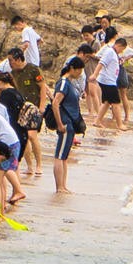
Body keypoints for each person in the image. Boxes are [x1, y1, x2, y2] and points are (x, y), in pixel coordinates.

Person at [45, 54, 87, 193]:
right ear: (72, 68)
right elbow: (56, 103)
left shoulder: (68, 83)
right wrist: (60, 124)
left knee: (64, 156)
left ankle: (63, 185)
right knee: (60, 156)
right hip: (65, 123)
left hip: (69, 123)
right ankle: (59, 187)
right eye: (79, 70)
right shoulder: (63, 83)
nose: (80, 73)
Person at [96, 35, 126, 131]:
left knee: (107, 102)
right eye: (122, 49)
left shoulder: (113, 53)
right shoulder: (110, 51)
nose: (122, 51)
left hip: (108, 80)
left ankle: (97, 121)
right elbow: (101, 63)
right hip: (108, 81)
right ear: (120, 46)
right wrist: (94, 74)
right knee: (116, 103)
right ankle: (120, 124)